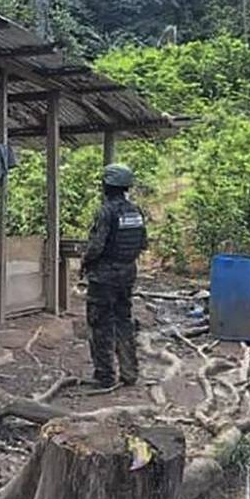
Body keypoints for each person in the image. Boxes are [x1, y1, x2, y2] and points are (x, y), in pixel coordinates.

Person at [81, 164, 149, 389]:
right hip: (127, 273)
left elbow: (96, 246)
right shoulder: (136, 212)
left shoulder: (106, 211)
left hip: (105, 276)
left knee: (99, 323)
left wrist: (85, 262)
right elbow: (142, 244)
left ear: (107, 186)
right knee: (124, 321)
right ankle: (129, 372)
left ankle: (105, 375)